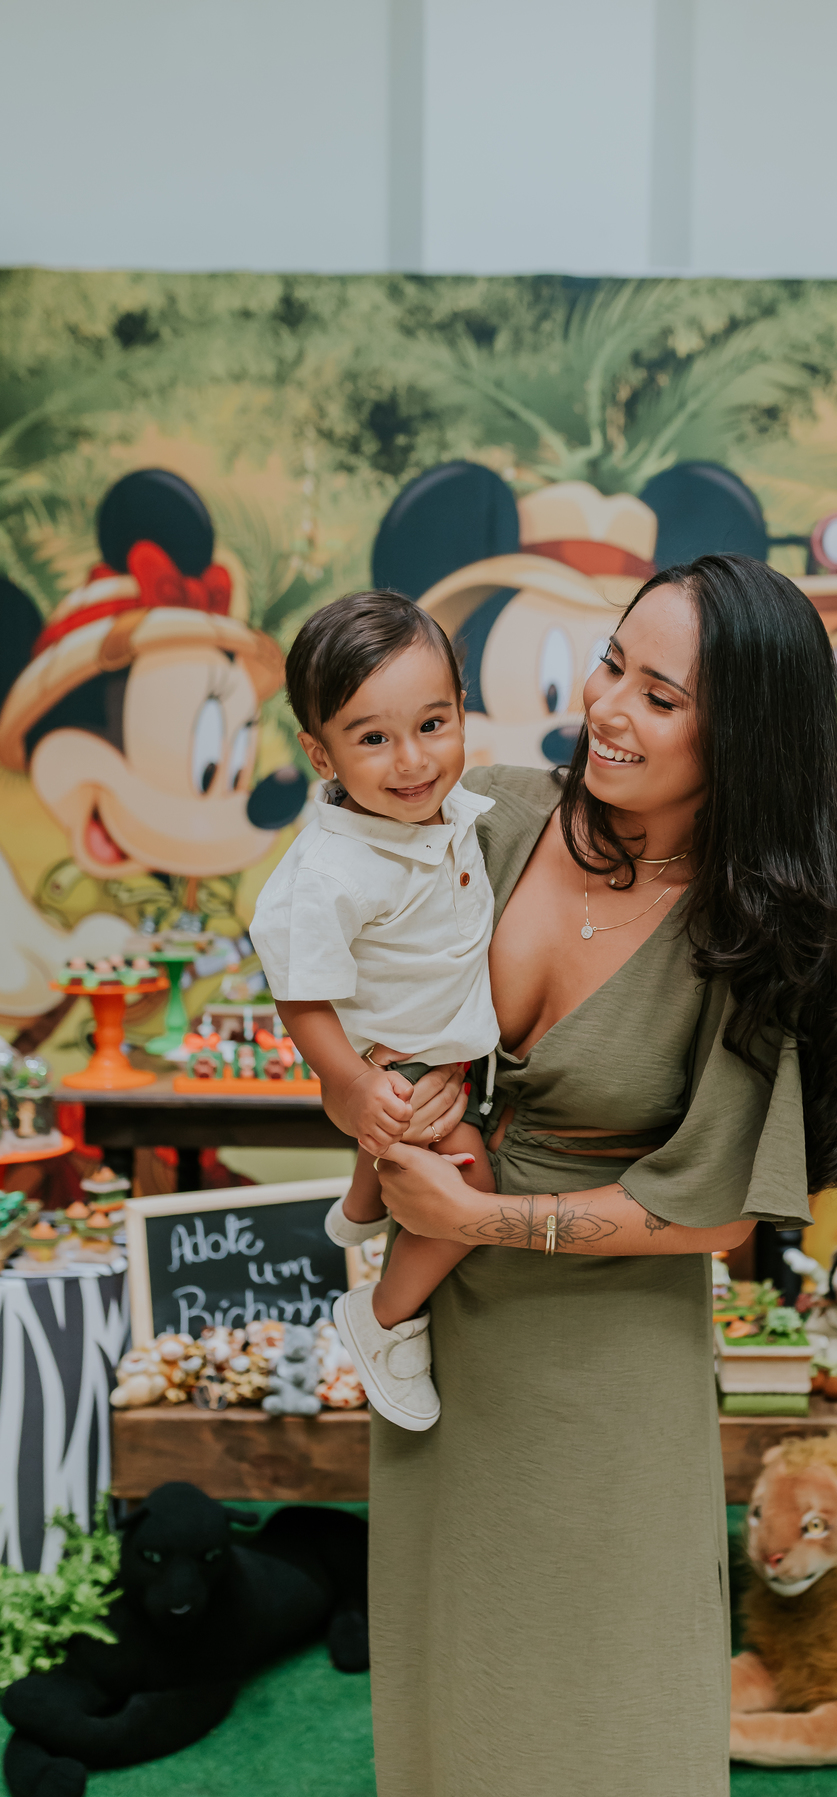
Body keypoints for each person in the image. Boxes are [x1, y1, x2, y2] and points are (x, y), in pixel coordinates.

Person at [317, 555, 837, 1797]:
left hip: (604, 1356)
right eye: (613, 664)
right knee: (453, 1674)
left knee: (607, 1691)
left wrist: (484, 1214)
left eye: (662, 695)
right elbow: (335, 960)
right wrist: (370, 1091)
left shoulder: (752, 937)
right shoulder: (490, 813)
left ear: (745, 733)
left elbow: (718, 1217)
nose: (610, 707)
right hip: (433, 1342)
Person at [249, 590, 499, 1430]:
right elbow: (300, 990)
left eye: (433, 724)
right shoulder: (329, 871)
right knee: (472, 1182)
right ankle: (383, 1317)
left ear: (462, 709)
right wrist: (350, 1084)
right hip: (406, 1061)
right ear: (321, 754)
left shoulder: (456, 809)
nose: (412, 762)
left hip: (445, 1042)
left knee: (399, 1123)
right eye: (372, 739)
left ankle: (361, 1206)